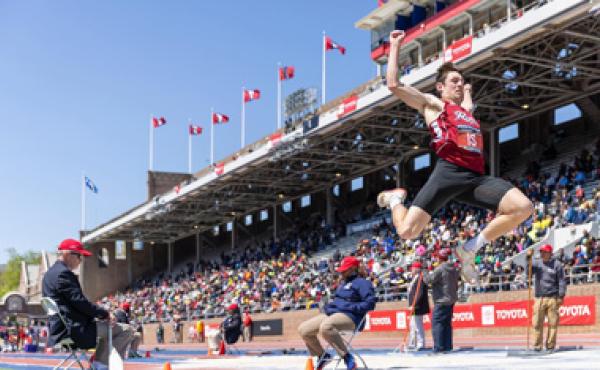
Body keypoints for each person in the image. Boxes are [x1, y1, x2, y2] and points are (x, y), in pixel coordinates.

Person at [377, 29, 533, 283]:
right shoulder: (434, 105)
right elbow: (394, 85)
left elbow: (468, 106)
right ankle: (396, 200)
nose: (459, 85)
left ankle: (469, 249)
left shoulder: (467, 112)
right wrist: (394, 46)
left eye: (462, 82)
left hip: (474, 178)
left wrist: (467, 89)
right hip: (448, 172)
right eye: (454, 82)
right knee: (407, 231)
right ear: (440, 87)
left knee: (523, 207)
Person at [42, 239, 135, 367]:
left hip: (62, 328)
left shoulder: (49, 274)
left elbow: (75, 304)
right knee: (127, 330)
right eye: (79, 256)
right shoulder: (63, 274)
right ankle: (100, 365)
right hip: (74, 330)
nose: (81, 260)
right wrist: (105, 314)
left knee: (110, 329)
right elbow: (80, 303)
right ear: (67, 254)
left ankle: (99, 364)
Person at [298, 256, 376, 370]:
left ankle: (347, 357)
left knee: (326, 326)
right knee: (303, 329)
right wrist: (329, 307)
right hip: (334, 315)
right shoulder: (342, 284)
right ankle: (322, 355)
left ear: (353, 268)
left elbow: (370, 304)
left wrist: (348, 306)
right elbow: (338, 303)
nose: (342, 272)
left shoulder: (363, 283)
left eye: (345, 269)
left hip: (352, 318)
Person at [527, 244, 567, 352]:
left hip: (553, 298)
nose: (542, 254)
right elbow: (528, 273)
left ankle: (550, 345)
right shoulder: (537, 263)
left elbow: (562, 281)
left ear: (550, 253)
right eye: (541, 252)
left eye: (544, 252)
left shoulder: (557, 265)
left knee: (553, 323)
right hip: (539, 298)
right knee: (536, 323)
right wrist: (528, 259)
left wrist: (561, 295)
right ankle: (536, 346)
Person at [423, 249, 459, 353]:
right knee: (447, 323)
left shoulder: (440, 269)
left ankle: (439, 347)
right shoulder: (454, 268)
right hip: (451, 299)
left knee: (437, 323)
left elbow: (428, 280)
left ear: (439, 258)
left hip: (441, 300)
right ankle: (447, 346)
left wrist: (425, 270)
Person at [407, 261, 429, 351]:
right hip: (414, 306)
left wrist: (414, 304)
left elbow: (419, 293)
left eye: (412, 268)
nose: (411, 270)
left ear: (416, 269)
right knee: (412, 325)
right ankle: (412, 343)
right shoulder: (415, 278)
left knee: (418, 325)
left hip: (417, 307)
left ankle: (421, 343)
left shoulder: (420, 278)